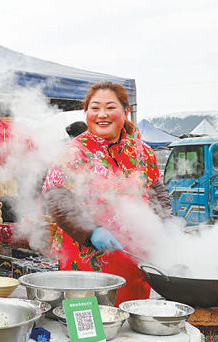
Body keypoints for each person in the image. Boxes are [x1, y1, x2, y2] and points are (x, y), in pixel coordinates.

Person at [42, 81, 172, 306]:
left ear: (125, 111)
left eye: (110, 107)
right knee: (91, 328)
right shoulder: (74, 151)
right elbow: (57, 198)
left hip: (134, 261)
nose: (102, 114)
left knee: (131, 326)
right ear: (87, 113)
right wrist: (92, 231)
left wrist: (167, 221)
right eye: (95, 108)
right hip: (86, 263)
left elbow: (155, 190)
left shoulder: (142, 151)